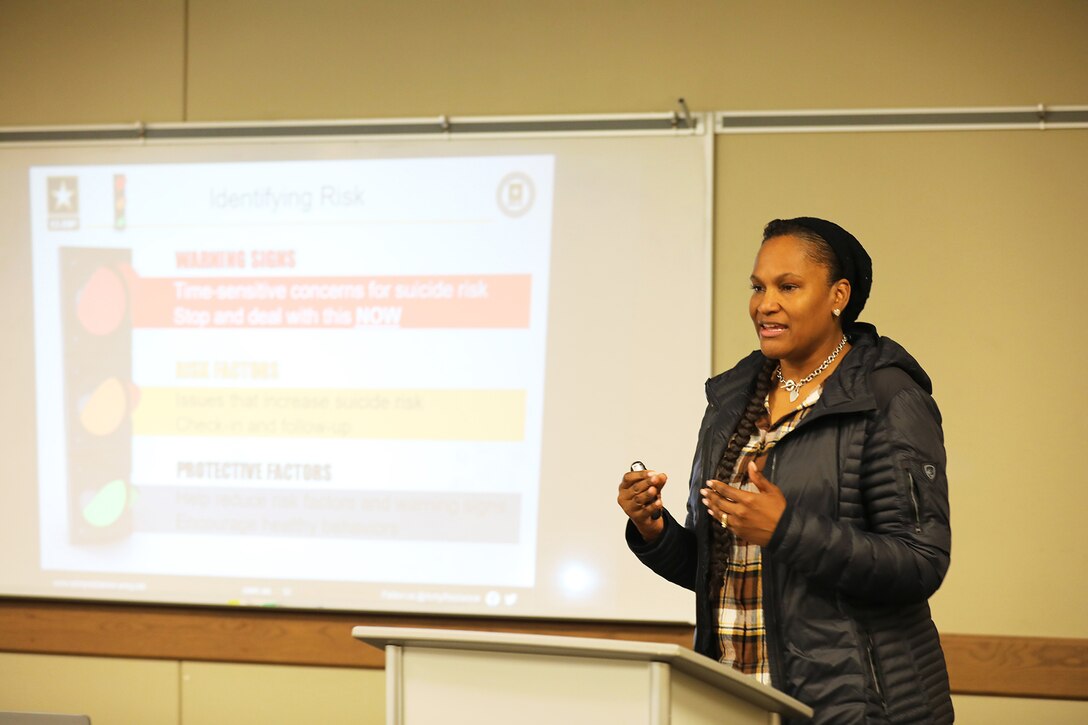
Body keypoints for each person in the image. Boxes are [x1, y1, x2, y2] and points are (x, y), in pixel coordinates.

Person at [618, 217, 952, 724]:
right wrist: (654, 529)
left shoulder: (887, 397)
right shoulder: (731, 404)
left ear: (838, 295)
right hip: (733, 698)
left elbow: (921, 562)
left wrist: (785, 529)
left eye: (788, 286)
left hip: (853, 708)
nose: (764, 304)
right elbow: (720, 572)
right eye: (758, 287)